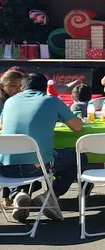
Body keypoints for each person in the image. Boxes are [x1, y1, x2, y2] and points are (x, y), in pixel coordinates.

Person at [0, 73, 84, 221]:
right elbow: (77, 127)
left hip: (6, 168)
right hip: (38, 166)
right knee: (79, 157)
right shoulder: (51, 101)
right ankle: (51, 195)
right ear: (45, 87)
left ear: (22, 87)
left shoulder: (9, 102)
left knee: (19, 159)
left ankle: (17, 195)